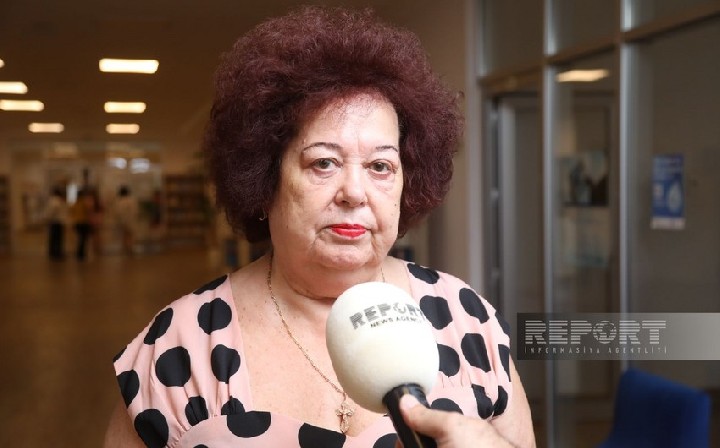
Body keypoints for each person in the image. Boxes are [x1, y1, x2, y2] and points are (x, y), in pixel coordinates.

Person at [104, 6, 534, 448]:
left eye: (380, 166)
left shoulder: (469, 322)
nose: (355, 192)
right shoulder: (180, 347)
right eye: (324, 163)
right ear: (265, 178)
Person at [114, 185, 139, 255]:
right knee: (131, 235)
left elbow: (117, 212)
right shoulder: (132, 200)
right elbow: (135, 211)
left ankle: (125, 248)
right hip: (131, 220)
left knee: (124, 235)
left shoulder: (119, 201)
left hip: (122, 221)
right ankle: (131, 248)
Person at [45, 186, 68, 260]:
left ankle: (54, 252)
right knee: (57, 239)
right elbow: (52, 211)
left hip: (55, 222)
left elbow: (50, 212)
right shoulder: (57, 201)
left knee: (54, 238)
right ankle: (56, 253)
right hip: (57, 221)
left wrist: (48, 218)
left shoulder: (53, 201)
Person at [70, 189, 93, 261]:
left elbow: (72, 212)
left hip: (77, 222)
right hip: (83, 222)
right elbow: (88, 211)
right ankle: (81, 254)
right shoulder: (84, 203)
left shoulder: (75, 203)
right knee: (83, 239)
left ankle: (79, 253)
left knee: (79, 238)